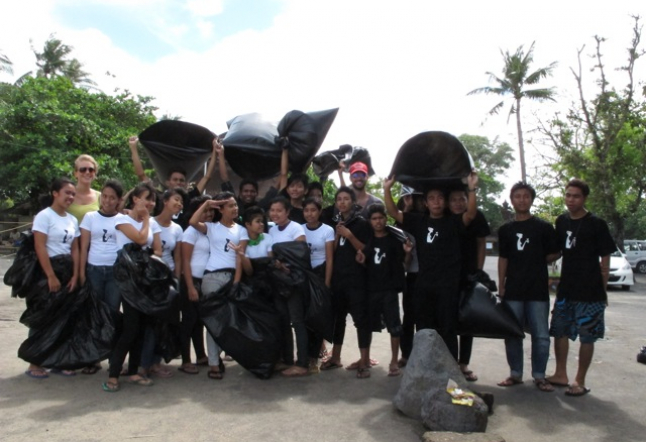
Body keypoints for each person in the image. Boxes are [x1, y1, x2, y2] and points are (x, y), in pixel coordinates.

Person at [383, 172, 478, 361]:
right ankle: (425, 368)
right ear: (426, 203)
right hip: (423, 285)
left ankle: (451, 372)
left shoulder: (453, 222)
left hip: (448, 287)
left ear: (444, 202)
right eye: (432, 198)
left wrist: (472, 188)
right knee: (424, 329)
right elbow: (394, 212)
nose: (436, 202)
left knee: (448, 329)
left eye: (440, 198)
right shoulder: (419, 221)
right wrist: (387, 188)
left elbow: (471, 214)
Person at [547, 179, 616, 397]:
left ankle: (580, 380)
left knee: (588, 336)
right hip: (566, 289)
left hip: (591, 292)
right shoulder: (561, 221)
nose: (571, 199)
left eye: (576, 196)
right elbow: (557, 252)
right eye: (568, 195)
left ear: (584, 198)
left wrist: (603, 291)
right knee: (559, 331)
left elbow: (605, 260)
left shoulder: (597, 223)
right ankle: (560, 374)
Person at [496, 182, 560, 392]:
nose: (522, 200)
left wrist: (538, 257)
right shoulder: (506, 230)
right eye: (517, 196)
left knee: (541, 335)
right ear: (512, 200)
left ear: (531, 200)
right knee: (513, 333)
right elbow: (503, 258)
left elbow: (556, 251)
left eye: (526, 196)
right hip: (513, 289)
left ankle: (540, 375)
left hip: (538, 290)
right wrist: (501, 284)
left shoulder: (543, 227)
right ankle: (515, 374)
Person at [103, 182, 162, 392]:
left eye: (152, 200)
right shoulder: (121, 220)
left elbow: (158, 249)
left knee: (141, 327)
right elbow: (139, 238)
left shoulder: (152, 222)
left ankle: (134, 371)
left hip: (144, 280)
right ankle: (113, 374)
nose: (150, 203)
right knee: (129, 328)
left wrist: (147, 223)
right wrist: (146, 220)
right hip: (127, 280)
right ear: (135, 199)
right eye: (146, 198)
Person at [25, 178, 81, 379]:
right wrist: (50, 275)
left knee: (64, 318)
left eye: (73, 194)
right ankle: (34, 363)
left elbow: (75, 248)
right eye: (67, 192)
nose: (71, 197)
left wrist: (75, 274)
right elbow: (40, 246)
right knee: (42, 316)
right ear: (55, 193)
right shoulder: (44, 216)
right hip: (47, 271)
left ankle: (58, 361)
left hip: (67, 271)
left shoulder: (72, 220)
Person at [189, 192, 248, 380]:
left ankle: (222, 354)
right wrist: (207, 203)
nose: (235, 208)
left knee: (229, 321)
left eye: (235, 205)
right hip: (212, 278)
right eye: (230, 206)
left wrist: (237, 282)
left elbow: (241, 258)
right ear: (220, 209)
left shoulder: (241, 230)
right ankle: (214, 363)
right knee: (213, 322)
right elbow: (192, 222)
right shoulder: (211, 227)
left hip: (231, 277)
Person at [320, 187, 373, 378]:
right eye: (339, 199)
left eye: (346, 199)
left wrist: (349, 235)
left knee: (361, 320)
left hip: (357, 279)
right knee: (338, 319)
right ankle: (336, 357)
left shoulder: (362, 223)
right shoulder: (337, 223)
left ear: (353, 202)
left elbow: (367, 250)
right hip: (339, 279)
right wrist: (338, 235)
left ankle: (364, 361)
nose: (342, 202)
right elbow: (333, 252)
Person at [356, 204, 411, 377]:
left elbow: (405, 264)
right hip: (371, 289)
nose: (378, 221)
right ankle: (364, 360)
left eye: (380, 218)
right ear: (370, 221)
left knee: (394, 326)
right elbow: (364, 262)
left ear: (385, 219)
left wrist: (408, 253)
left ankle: (394, 362)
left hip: (389, 290)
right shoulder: (368, 239)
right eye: (374, 219)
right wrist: (361, 260)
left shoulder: (395, 239)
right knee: (366, 325)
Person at [78, 180, 124, 375]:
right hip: (94, 269)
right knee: (94, 315)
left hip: (114, 272)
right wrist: (81, 272)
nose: (107, 200)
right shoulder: (89, 217)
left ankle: (114, 359)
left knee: (112, 314)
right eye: (104, 196)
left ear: (119, 200)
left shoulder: (122, 220)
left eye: (112, 197)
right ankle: (93, 358)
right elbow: (84, 247)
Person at [140, 188, 186, 378]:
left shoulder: (177, 229)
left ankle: (156, 362)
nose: (179, 204)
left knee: (163, 323)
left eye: (181, 202)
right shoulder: (149, 223)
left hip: (167, 281)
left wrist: (176, 280)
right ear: (165, 201)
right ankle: (143, 363)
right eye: (176, 199)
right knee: (148, 322)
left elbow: (178, 257)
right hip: (149, 279)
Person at [128, 136, 221, 228]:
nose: (178, 182)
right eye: (175, 180)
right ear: (168, 182)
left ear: (185, 183)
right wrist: (133, 148)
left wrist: (214, 152)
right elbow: (141, 175)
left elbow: (207, 177)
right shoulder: (158, 197)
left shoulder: (189, 198)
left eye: (181, 180)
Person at [448, 188, 491, 382]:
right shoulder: (444, 217)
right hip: (447, 277)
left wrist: (479, 270)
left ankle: (463, 364)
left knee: (467, 321)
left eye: (461, 199)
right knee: (447, 320)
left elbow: (481, 243)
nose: (458, 203)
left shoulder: (476, 216)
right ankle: (448, 363)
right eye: (454, 200)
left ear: (468, 199)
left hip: (469, 275)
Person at [267, 197, 309, 376]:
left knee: (297, 322)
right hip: (278, 282)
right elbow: (270, 255)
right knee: (283, 321)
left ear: (288, 212)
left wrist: (284, 264)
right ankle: (287, 360)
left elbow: (300, 254)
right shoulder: (271, 231)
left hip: (293, 282)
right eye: (272, 210)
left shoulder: (296, 228)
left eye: (279, 210)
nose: (275, 214)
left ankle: (302, 364)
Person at [178, 196, 213, 374]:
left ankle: (200, 355)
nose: (207, 213)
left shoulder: (209, 231)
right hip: (190, 280)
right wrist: (190, 286)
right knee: (189, 321)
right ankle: (185, 360)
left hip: (204, 281)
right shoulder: (190, 232)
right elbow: (185, 260)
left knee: (198, 321)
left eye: (209, 210)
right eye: (204, 210)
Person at [302, 197, 335, 369]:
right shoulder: (299, 229)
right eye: (306, 210)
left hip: (321, 276)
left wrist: (327, 283)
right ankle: (306, 356)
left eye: (313, 210)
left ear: (320, 212)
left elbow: (330, 259)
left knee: (318, 318)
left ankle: (314, 357)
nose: (310, 214)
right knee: (305, 318)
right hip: (305, 277)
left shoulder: (328, 230)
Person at [68, 154, 101, 224]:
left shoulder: (100, 196)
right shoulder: (67, 195)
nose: (87, 172)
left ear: (95, 173)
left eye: (91, 170)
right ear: (75, 173)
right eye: (83, 170)